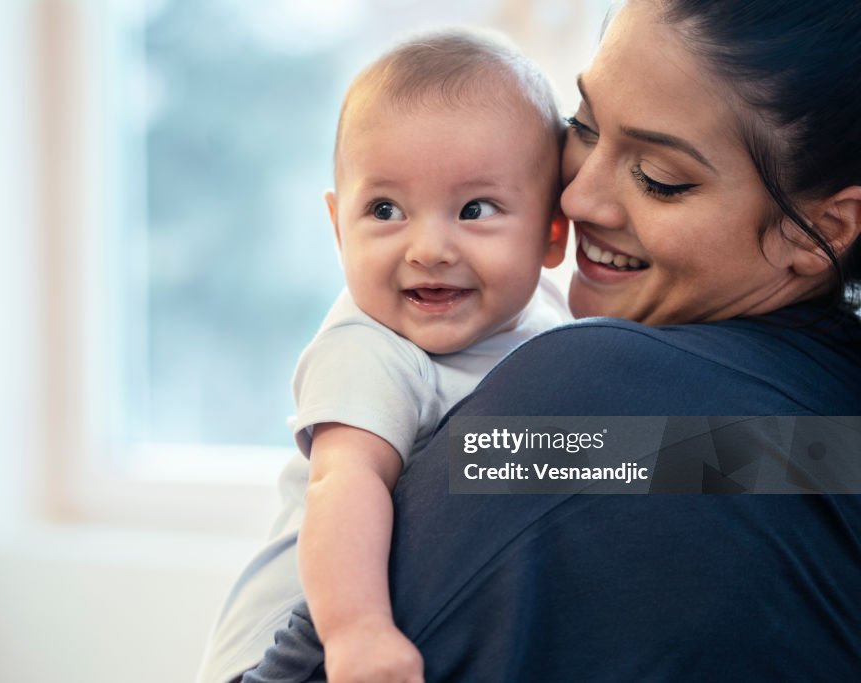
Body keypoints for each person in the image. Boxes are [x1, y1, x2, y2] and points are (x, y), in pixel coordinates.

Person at [244, 0, 861, 680]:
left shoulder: (594, 398)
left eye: (661, 177)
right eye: (585, 128)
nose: (573, 198)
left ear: (826, 229)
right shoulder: (825, 417)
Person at [196, 30, 571, 683]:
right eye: (386, 209)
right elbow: (345, 480)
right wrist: (357, 632)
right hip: (292, 656)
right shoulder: (369, 346)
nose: (428, 247)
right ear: (339, 227)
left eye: (475, 209)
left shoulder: (545, 312)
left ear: (551, 234)